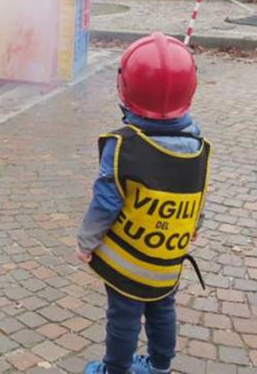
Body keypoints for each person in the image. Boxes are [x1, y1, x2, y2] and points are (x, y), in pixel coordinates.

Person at [78, 33, 210, 374]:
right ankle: (160, 365)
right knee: (163, 307)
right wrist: (194, 227)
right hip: (167, 258)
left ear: (126, 89)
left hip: (127, 264)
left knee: (123, 317)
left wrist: (87, 241)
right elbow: (196, 194)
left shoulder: (123, 146)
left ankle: (115, 369)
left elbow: (106, 201)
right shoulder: (198, 147)